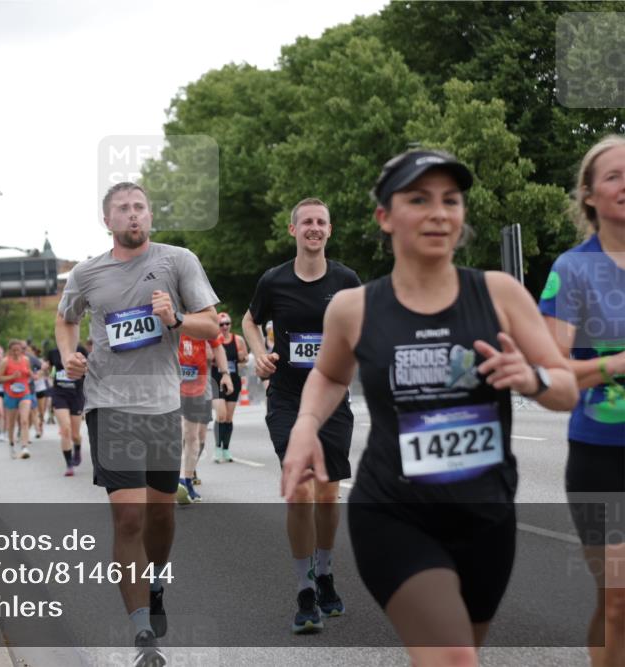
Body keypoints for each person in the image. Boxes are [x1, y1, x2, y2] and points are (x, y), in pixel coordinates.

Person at [281, 150, 577, 663]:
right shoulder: (354, 307)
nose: (439, 212)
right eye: (419, 199)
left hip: (485, 514)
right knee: (454, 655)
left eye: (451, 200)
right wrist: (306, 424)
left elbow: (566, 387)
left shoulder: (500, 294)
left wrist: (532, 378)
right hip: (393, 512)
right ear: (385, 217)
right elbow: (329, 375)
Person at [55, 181, 219, 666]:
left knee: (160, 516)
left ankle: (156, 581)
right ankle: (143, 632)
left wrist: (175, 319)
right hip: (109, 405)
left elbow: (212, 325)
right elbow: (66, 319)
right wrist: (69, 356)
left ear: (150, 215)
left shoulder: (178, 261)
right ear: (106, 221)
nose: (133, 215)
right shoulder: (86, 273)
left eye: (140, 207)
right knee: (129, 516)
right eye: (123, 209)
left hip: (162, 405)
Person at [242, 197, 362, 632]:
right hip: (288, 399)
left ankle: (325, 573)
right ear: (293, 230)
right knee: (300, 490)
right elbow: (250, 321)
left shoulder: (346, 279)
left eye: (321, 222)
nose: (314, 227)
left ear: (329, 230)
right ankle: (305, 589)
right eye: (307, 221)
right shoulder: (274, 280)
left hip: (331, 398)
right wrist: (259, 354)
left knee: (327, 495)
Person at [539, 135, 625, 667]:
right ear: (589, 195)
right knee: (617, 599)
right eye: (614, 176)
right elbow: (552, 371)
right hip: (602, 456)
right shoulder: (572, 270)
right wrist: (616, 364)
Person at [176, 333, 230, 504]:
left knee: (194, 436)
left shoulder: (204, 322)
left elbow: (216, 348)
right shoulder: (169, 321)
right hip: (171, 384)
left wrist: (225, 373)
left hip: (198, 387)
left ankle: (187, 480)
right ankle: (176, 478)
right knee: (179, 433)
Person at [47, 341, 89, 476]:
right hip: (59, 394)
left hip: (76, 395)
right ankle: (69, 464)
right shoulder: (53, 352)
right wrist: (44, 369)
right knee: (65, 429)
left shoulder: (81, 350)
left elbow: (88, 369)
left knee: (75, 435)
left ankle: (77, 447)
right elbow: (49, 369)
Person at [210, 312, 247, 462]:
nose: (225, 327)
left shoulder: (238, 340)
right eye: (221, 324)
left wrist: (242, 358)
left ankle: (226, 449)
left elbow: (245, 358)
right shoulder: (213, 339)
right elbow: (207, 358)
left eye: (227, 323)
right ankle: (217, 448)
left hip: (233, 380)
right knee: (221, 415)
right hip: (217, 379)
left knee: (229, 417)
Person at [0, 339, 34, 459]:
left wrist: (31, 374)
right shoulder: (5, 361)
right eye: (14, 350)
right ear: (10, 351)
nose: (16, 352)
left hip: (24, 393)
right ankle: (11, 445)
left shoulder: (26, 360)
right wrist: (12, 376)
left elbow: (28, 372)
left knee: (24, 420)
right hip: (10, 394)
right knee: (11, 423)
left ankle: (24, 447)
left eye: (18, 350)